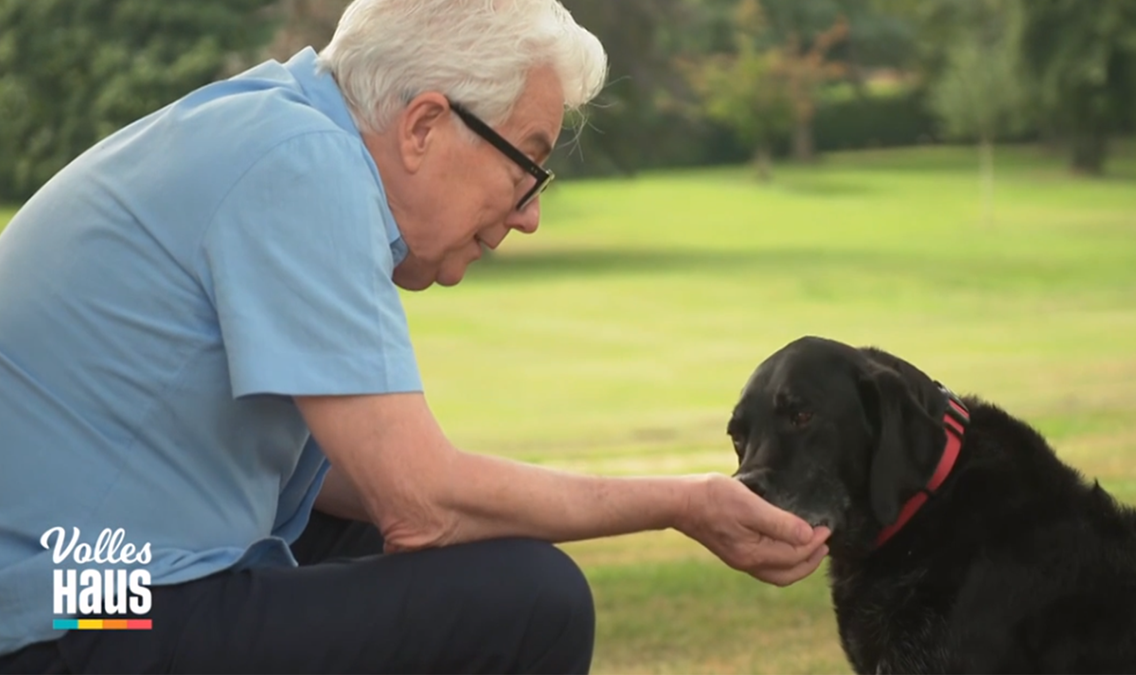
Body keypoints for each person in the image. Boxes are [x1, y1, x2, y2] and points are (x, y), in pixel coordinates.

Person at [0, 0, 831, 672]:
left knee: (426, 550)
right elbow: (422, 506)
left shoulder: (269, 124)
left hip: (75, 581)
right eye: (527, 161)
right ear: (425, 124)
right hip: (76, 605)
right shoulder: (302, 165)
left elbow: (366, 488)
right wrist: (678, 501)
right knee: (530, 601)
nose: (530, 212)